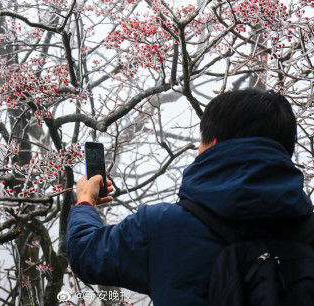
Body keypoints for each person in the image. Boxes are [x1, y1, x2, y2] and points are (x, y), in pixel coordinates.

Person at [66, 88, 313, 305]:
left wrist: (85, 201)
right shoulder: (308, 233)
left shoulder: (161, 226)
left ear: (213, 143)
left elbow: (86, 253)